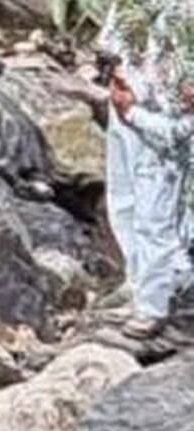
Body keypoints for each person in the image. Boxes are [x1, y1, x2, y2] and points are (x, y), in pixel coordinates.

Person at [100, 0, 192, 338]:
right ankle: (142, 284)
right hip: (123, 109)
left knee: (157, 214)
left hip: (161, 120)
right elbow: (108, 44)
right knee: (124, 201)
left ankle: (153, 306)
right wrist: (114, 78)